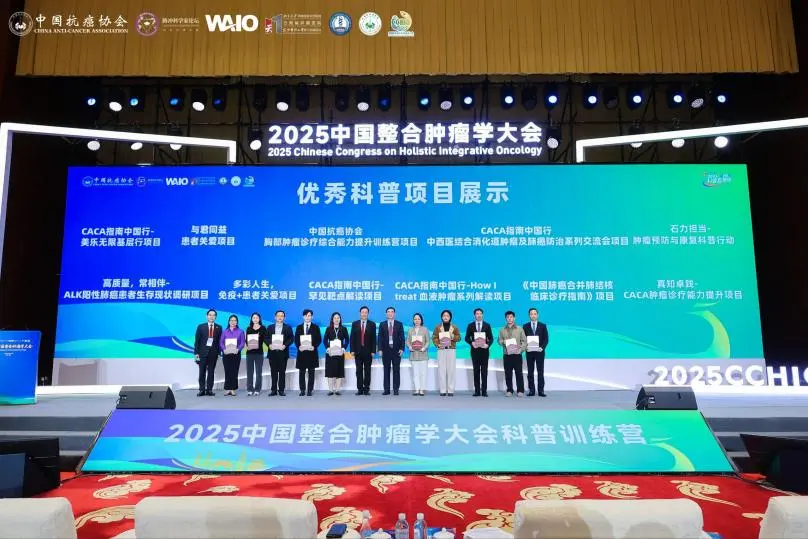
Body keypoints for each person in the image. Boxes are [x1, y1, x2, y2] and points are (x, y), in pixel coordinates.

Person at [465, 307, 494, 397]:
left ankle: (484, 391)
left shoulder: (487, 325)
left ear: (482, 315)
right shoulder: (470, 325)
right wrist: (471, 343)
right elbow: (466, 338)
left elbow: (491, 338)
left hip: (484, 351)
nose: (479, 315)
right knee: (476, 371)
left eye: (480, 313)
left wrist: (487, 345)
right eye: (477, 314)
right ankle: (477, 391)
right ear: (474, 315)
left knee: (484, 371)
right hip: (475, 351)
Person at [432, 309, 461, 396]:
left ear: (450, 317)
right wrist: (438, 344)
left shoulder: (454, 327)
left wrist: (453, 336)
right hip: (441, 350)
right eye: (444, 316)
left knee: (451, 370)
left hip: (451, 349)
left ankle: (451, 390)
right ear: (441, 317)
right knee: (441, 370)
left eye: (447, 316)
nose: (445, 317)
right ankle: (443, 390)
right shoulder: (438, 327)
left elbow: (459, 338)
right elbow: (434, 337)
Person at [193, 309, 222, 396]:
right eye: (210, 315)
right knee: (202, 372)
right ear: (207, 316)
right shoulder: (201, 327)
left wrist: (219, 353)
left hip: (213, 354)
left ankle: (209, 390)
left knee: (211, 372)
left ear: (215, 317)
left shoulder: (219, 327)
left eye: (213, 315)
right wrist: (196, 354)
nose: (211, 316)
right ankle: (201, 389)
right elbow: (197, 341)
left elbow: (219, 342)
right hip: (202, 353)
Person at [378, 306, 406, 395]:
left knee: (396, 370)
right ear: (386, 313)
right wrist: (380, 349)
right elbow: (380, 338)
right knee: (386, 370)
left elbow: (402, 337)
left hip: (396, 350)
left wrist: (402, 348)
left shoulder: (399, 324)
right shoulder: (382, 324)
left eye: (392, 312)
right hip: (385, 351)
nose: (390, 313)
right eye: (388, 312)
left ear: (394, 313)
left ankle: (396, 389)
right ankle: (386, 389)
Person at [498, 310, 526, 397]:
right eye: (508, 317)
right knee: (508, 374)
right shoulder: (502, 330)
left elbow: (524, 341)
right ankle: (509, 390)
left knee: (519, 373)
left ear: (514, 318)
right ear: (506, 318)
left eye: (511, 317)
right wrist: (503, 342)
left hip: (517, 355)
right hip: (507, 355)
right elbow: (499, 341)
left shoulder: (520, 329)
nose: (509, 318)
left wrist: (521, 350)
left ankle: (520, 390)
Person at [294, 309, 322, 396]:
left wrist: (314, 346)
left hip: (312, 353)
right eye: (306, 315)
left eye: (309, 315)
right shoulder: (299, 327)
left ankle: (310, 390)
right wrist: (299, 346)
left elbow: (319, 339)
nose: (307, 317)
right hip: (301, 353)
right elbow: (296, 339)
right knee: (301, 372)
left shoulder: (316, 327)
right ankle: (302, 390)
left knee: (311, 373)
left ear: (312, 317)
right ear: (303, 317)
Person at [523, 307, 550, 397]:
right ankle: (531, 390)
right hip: (529, 352)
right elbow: (523, 339)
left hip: (540, 352)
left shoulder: (543, 325)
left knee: (540, 371)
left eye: (535, 314)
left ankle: (541, 390)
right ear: (529, 315)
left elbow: (546, 339)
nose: (533, 315)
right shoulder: (525, 326)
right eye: (531, 314)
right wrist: (525, 347)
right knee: (530, 372)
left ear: (537, 315)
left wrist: (542, 347)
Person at [350, 306, 376, 396]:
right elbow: (352, 338)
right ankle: (360, 389)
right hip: (357, 351)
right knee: (358, 371)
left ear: (368, 314)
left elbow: (374, 339)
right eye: (362, 312)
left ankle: (366, 389)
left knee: (367, 371)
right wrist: (352, 350)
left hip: (368, 352)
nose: (364, 314)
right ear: (360, 313)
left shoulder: (372, 324)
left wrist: (373, 351)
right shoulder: (355, 324)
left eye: (366, 312)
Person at [266, 310, 294, 396]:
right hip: (272, 352)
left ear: (284, 317)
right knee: (273, 372)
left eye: (282, 316)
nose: (280, 317)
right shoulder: (270, 327)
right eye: (278, 316)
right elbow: (266, 338)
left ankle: (281, 390)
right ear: (275, 317)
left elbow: (291, 338)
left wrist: (285, 345)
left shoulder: (288, 327)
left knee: (282, 372)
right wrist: (269, 344)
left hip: (283, 352)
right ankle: (273, 390)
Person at [323, 312, 349, 395]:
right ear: (332, 319)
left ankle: (337, 390)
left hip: (340, 353)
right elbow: (325, 340)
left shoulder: (344, 329)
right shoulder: (328, 328)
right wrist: (327, 348)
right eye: (335, 318)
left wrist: (344, 348)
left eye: (338, 318)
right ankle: (331, 390)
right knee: (330, 371)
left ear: (340, 319)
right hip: (330, 353)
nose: (336, 319)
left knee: (339, 371)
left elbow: (347, 340)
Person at [220, 314, 245, 396]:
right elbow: (221, 342)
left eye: (234, 320)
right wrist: (224, 349)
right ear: (229, 322)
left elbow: (242, 342)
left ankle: (233, 389)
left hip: (236, 354)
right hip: (226, 354)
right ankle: (228, 389)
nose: (233, 322)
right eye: (231, 320)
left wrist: (238, 349)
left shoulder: (240, 331)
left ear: (237, 322)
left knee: (234, 371)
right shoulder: (224, 331)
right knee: (227, 371)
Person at [407, 313, 429, 396]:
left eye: (418, 319)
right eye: (415, 319)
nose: (417, 320)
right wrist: (409, 347)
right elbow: (407, 341)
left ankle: (422, 389)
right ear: (413, 320)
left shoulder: (425, 329)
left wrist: (424, 348)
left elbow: (428, 341)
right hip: (413, 354)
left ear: (421, 320)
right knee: (415, 373)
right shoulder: (410, 330)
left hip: (423, 354)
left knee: (423, 373)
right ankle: (416, 389)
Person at [245, 312, 266, 396]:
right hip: (249, 353)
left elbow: (265, 339)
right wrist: (247, 346)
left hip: (259, 353)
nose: (255, 319)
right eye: (253, 318)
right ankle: (250, 389)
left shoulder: (263, 328)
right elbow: (246, 340)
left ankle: (257, 389)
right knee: (249, 372)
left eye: (257, 317)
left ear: (259, 319)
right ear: (251, 319)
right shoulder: (248, 328)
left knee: (258, 372)